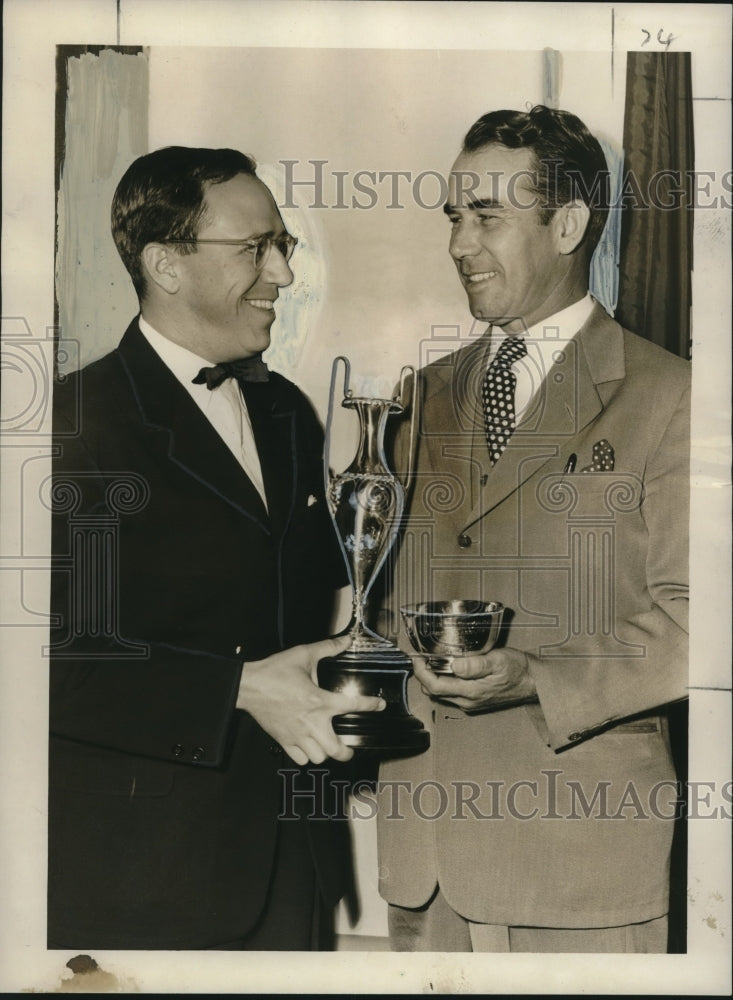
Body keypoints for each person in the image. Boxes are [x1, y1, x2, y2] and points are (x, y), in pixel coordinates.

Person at [48, 146, 385, 950]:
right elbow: (47, 660)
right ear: (165, 263)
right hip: (139, 882)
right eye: (254, 248)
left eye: (284, 246)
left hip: (291, 862)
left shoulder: (287, 415)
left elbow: (298, 614)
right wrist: (234, 688)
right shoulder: (73, 426)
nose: (282, 273)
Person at [377, 106, 689, 953]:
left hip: (582, 865)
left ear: (567, 224)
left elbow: (699, 620)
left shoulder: (673, 396)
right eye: (451, 217)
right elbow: (385, 600)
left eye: (486, 217)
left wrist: (537, 678)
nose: (457, 245)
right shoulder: (418, 396)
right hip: (424, 864)